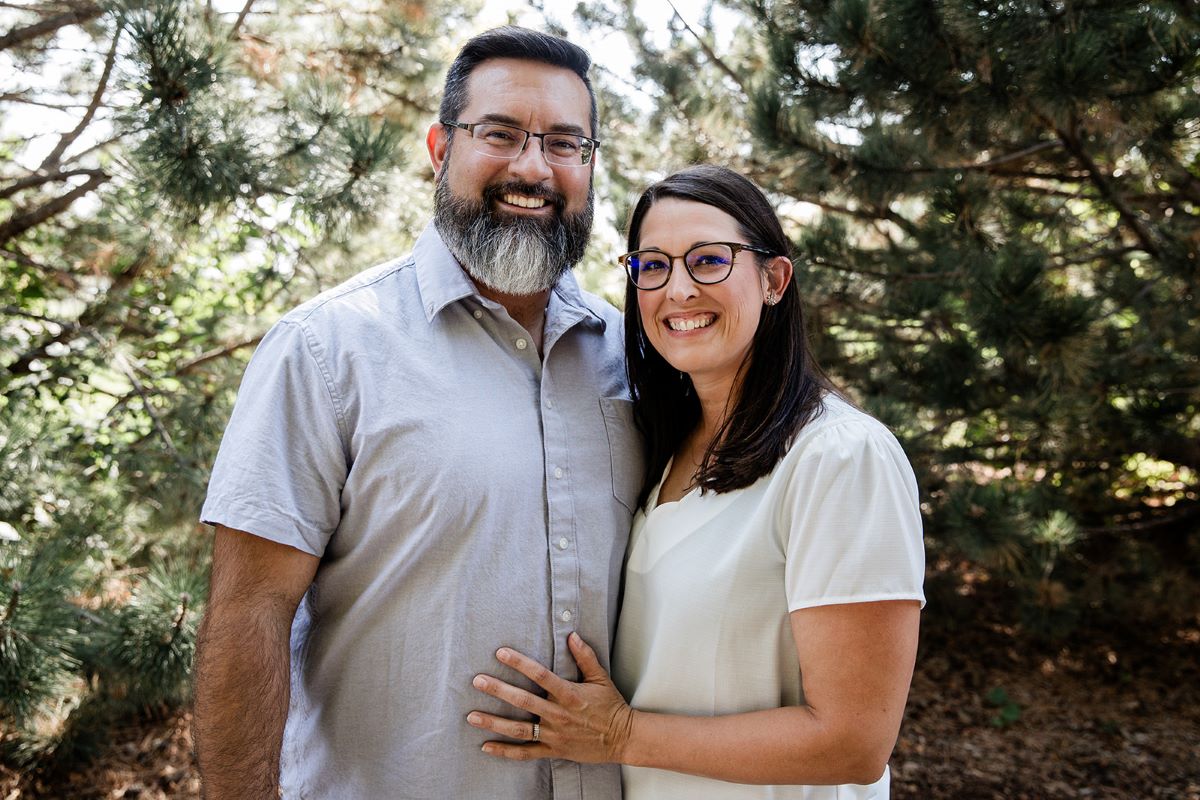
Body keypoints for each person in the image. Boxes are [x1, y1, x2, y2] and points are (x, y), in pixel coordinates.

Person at [193, 26, 643, 800]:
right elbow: (248, 614)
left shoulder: (635, 358)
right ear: (440, 148)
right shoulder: (328, 349)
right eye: (499, 134)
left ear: (589, 165)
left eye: (565, 144)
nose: (533, 168)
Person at [466, 164, 926, 798]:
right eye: (652, 266)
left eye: (709, 260)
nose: (677, 290)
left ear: (774, 279)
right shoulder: (663, 448)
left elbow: (854, 741)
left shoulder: (840, 458)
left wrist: (621, 735)